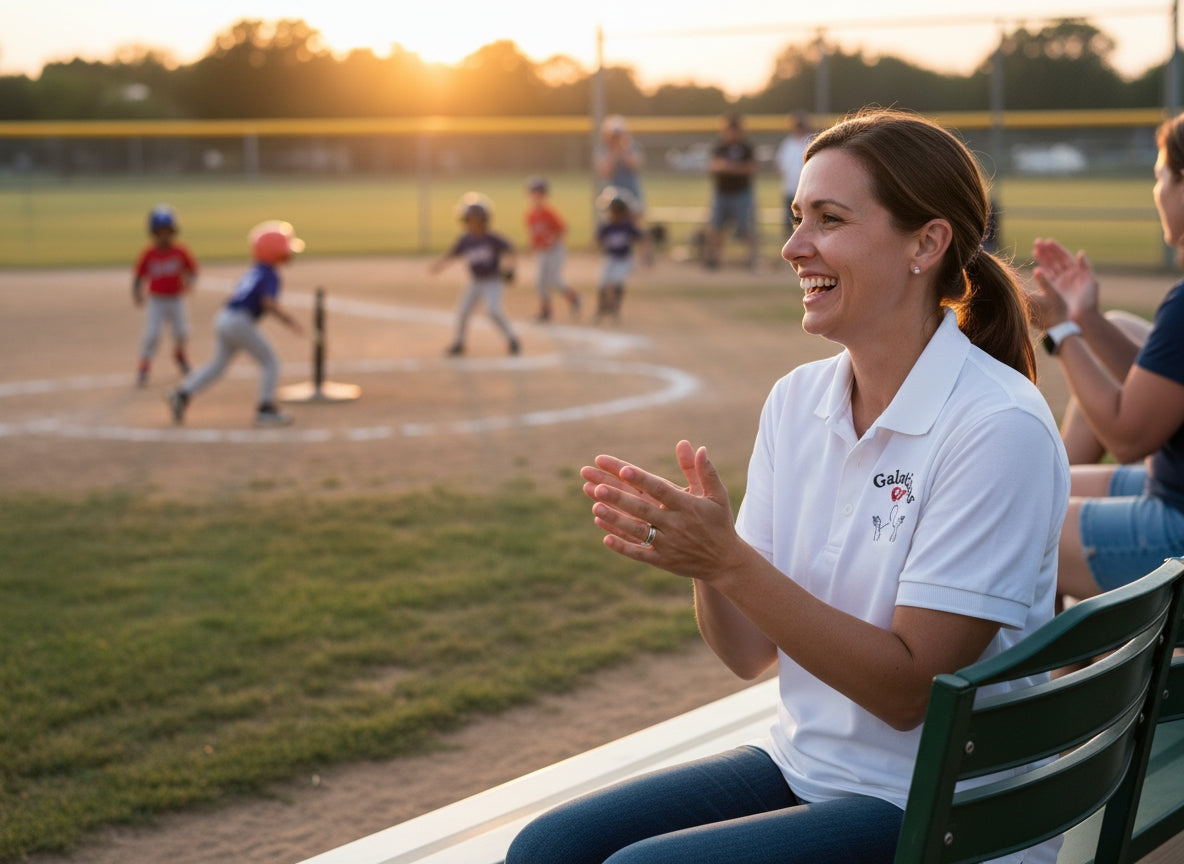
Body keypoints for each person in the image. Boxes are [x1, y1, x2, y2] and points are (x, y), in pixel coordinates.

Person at [506, 108, 1069, 864]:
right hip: (809, 768)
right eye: (798, 216)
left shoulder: (996, 425)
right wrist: (709, 562)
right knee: (549, 847)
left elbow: (909, 694)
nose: (794, 245)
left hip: (947, 809)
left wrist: (731, 562)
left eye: (829, 220)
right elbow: (748, 654)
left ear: (926, 244)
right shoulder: (797, 401)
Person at [1027, 111, 1184, 601]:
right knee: (1035, 492)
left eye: (1161, 176)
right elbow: (1164, 386)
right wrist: (1088, 319)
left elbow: (1127, 435)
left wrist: (1061, 330)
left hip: (1176, 524)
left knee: (1012, 527)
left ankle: (1066, 653)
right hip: (1170, 491)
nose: (1156, 191)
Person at [168, 221, 305, 427]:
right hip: (239, 321)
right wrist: (289, 321)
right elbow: (267, 302)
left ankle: (182, 394)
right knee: (271, 361)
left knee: (217, 365)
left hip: (225, 318)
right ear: (274, 252)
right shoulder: (270, 273)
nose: (289, 254)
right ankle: (266, 409)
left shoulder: (256, 270)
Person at [431, 193, 521, 356]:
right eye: (469, 219)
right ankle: (459, 343)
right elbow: (453, 254)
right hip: (475, 281)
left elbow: (510, 248)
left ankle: (512, 339)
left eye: (475, 219)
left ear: (484, 220)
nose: (471, 223)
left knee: (493, 311)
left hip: (493, 281)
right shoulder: (466, 240)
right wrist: (440, 265)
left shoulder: (492, 238)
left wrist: (510, 268)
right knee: (462, 311)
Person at [132, 205, 198, 387]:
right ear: (153, 233)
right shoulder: (149, 254)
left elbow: (192, 271)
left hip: (177, 298)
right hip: (157, 300)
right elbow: (139, 276)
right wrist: (137, 293)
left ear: (173, 231)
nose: (164, 235)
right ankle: (144, 366)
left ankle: (180, 354)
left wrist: (190, 281)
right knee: (152, 334)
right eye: (160, 232)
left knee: (183, 332)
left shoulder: (180, 251)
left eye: (167, 231)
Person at [705, 113, 759, 270]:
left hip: (742, 193)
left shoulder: (746, 147)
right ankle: (714, 259)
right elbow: (713, 166)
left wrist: (729, 167)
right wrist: (731, 167)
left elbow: (751, 168)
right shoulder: (720, 146)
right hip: (722, 193)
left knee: (746, 227)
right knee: (716, 227)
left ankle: (752, 259)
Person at [524, 177, 580, 321]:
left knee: (554, 280)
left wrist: (554, 240)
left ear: (544, 195)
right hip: (542, 252)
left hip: (555, 250)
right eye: (533, 193)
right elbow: (534, 236)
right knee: (540, 282)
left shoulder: (548, 213)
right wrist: (533, 248)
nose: (536, 196)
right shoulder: (530, 215)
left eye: (539, 193)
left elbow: (563, 228)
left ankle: (574, 297)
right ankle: (545, 311)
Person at [594, 187, 645, 324]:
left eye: (617, 211)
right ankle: (601, 308)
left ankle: (615, 309)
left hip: (624, 260)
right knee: (603, 282)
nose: (615, 214)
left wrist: (644, 253)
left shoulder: (627, 225)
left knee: (618, 282)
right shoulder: (608, 226)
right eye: (613, 211)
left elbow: (641, 237)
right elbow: (598, 240)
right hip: (610, 258)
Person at [595, 115, 644, 214]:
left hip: (631, 191)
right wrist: (614, 152)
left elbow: (635, 166)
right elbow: (605, 172)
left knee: (635, 216)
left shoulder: (631, 147)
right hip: (610, 192)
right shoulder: (603, 149)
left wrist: (623, 149)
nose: (616, 139)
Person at [774, 112, 813, 237]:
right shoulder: (788, 143)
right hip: (790, 189)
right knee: (789, 223)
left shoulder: (811, 140)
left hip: (808, 191)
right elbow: (779, 164)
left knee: (805, 223)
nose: (799, 127)